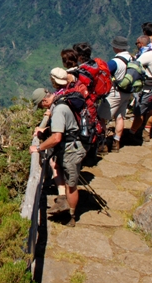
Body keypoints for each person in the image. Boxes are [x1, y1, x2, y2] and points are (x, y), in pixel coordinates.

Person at [30, 88, 87, 227]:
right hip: (67, 147)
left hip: (72, 150)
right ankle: (62, 198)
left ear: (44, 100)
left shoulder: (58, 110)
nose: (41, 108)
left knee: (71, 185)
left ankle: (70, 216)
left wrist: (38, 148)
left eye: (40, 105)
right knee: (55, 165)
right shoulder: (58, 103)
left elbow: (56, 138)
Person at [100, 36, 132, 152]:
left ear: (116, 47)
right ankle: (116, 142)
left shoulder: (115, 62)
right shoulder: (132, 59)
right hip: (127, 93)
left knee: (101, 118)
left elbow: (103, 72)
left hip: (115, 93)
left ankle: (102, 144)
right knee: (120, 117)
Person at [130, 35, 152, 142]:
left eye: (137, 43)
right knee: (151, 111)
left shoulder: (146, 55)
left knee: (139, 113)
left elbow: (134, 65)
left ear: (141, 44)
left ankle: (132, 133)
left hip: (145, 90)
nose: (136, 45)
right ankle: (146, 133)